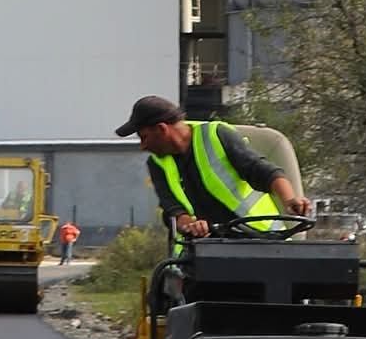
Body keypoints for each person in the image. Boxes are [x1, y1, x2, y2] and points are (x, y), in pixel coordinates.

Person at [114, 95, 312, 245]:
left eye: (144, 137)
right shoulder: (157, 165)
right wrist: (189, 225)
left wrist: (290, 200)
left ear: (162, 129)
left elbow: (262, 171)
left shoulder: (216, 135)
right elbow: (173, 209)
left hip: (261, 241)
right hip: (206, 250)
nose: (142, 146)